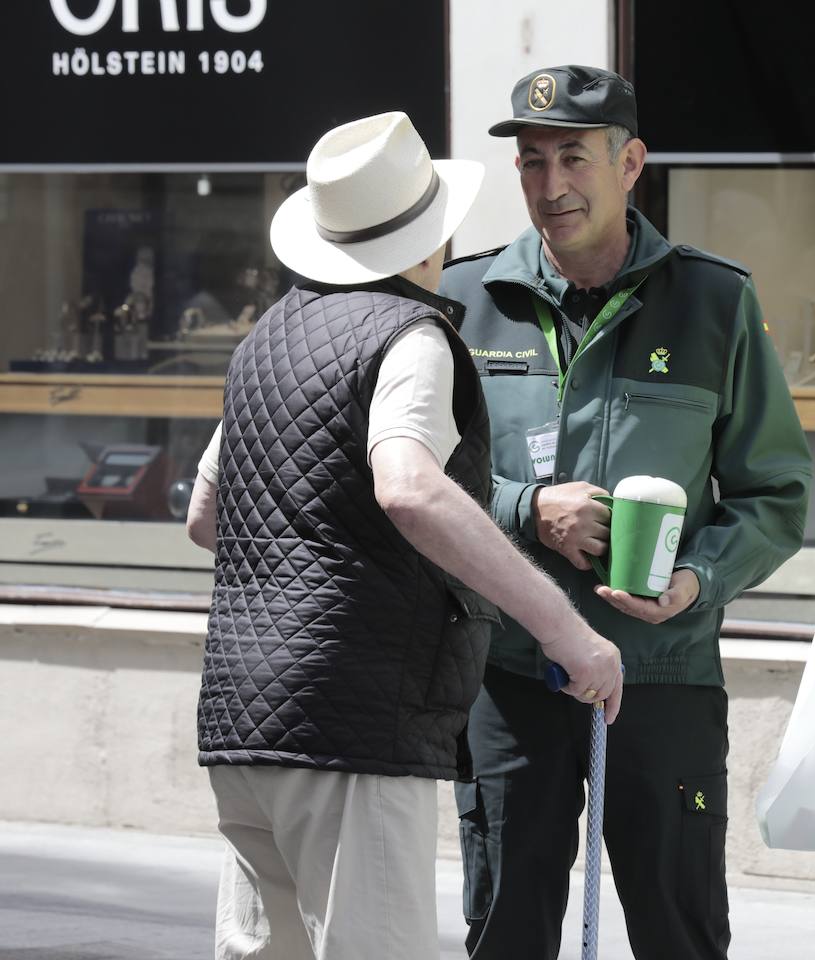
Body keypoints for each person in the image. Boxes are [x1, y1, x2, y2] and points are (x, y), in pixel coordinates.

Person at [184, 111, 624, 960]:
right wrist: (569, 632)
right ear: (434, 230)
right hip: (355, 716)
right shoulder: (411, 334)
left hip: (240, 714)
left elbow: (206, 518)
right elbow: (410, 486)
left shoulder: (266, 339)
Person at [439, 65, 812, 960]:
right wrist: (529, 509)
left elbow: (775, 495)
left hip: (662, 677)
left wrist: (697, 579)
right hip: (513, 674)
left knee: (679, 930)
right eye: (531, 162)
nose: (551, 185)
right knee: (504, 930)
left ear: (630, 161)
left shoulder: (714, 301)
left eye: (574, 157)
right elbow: (425, 485)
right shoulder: (466, 302)